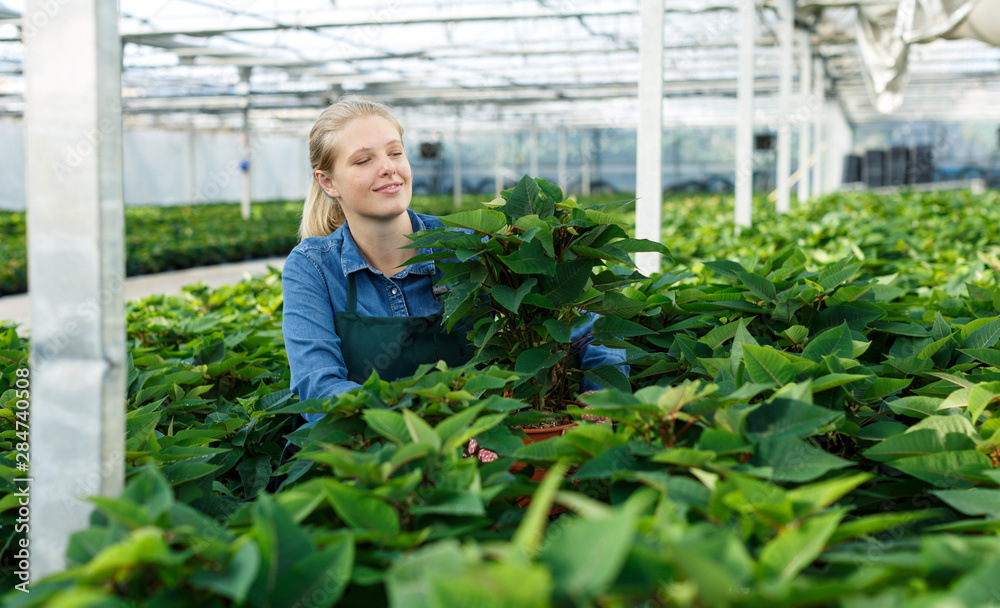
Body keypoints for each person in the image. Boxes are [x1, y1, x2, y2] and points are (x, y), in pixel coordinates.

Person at [281, 97, 627, 422]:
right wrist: (418, 426)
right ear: (328, 182)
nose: (388, 168)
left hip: (478, 444)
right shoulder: (314, 267)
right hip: (365, 450)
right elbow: (318, 387)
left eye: (395, 153)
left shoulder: (470, 248)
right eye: (363, 160)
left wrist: (601, 400)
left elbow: (590, 328)